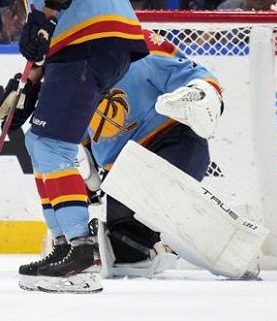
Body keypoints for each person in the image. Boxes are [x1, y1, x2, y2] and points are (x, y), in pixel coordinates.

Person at [0, 0, 147, 293]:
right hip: (85, 48)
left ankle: (80, 252)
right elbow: (48, 28)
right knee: (41, 143)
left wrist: (44, 19)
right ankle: (64, 244)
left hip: (91, 44)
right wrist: (30, 80)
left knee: (53, 145)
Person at [86, 31, 224, 278]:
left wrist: (199, 94)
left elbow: (202, 80)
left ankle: (174, 240)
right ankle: (161, 244)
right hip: (122, 172)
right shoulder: (69, 66)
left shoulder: (141, 46)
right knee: (127, 250)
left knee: (145, 224)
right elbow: (76, 131)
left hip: (172, 143)